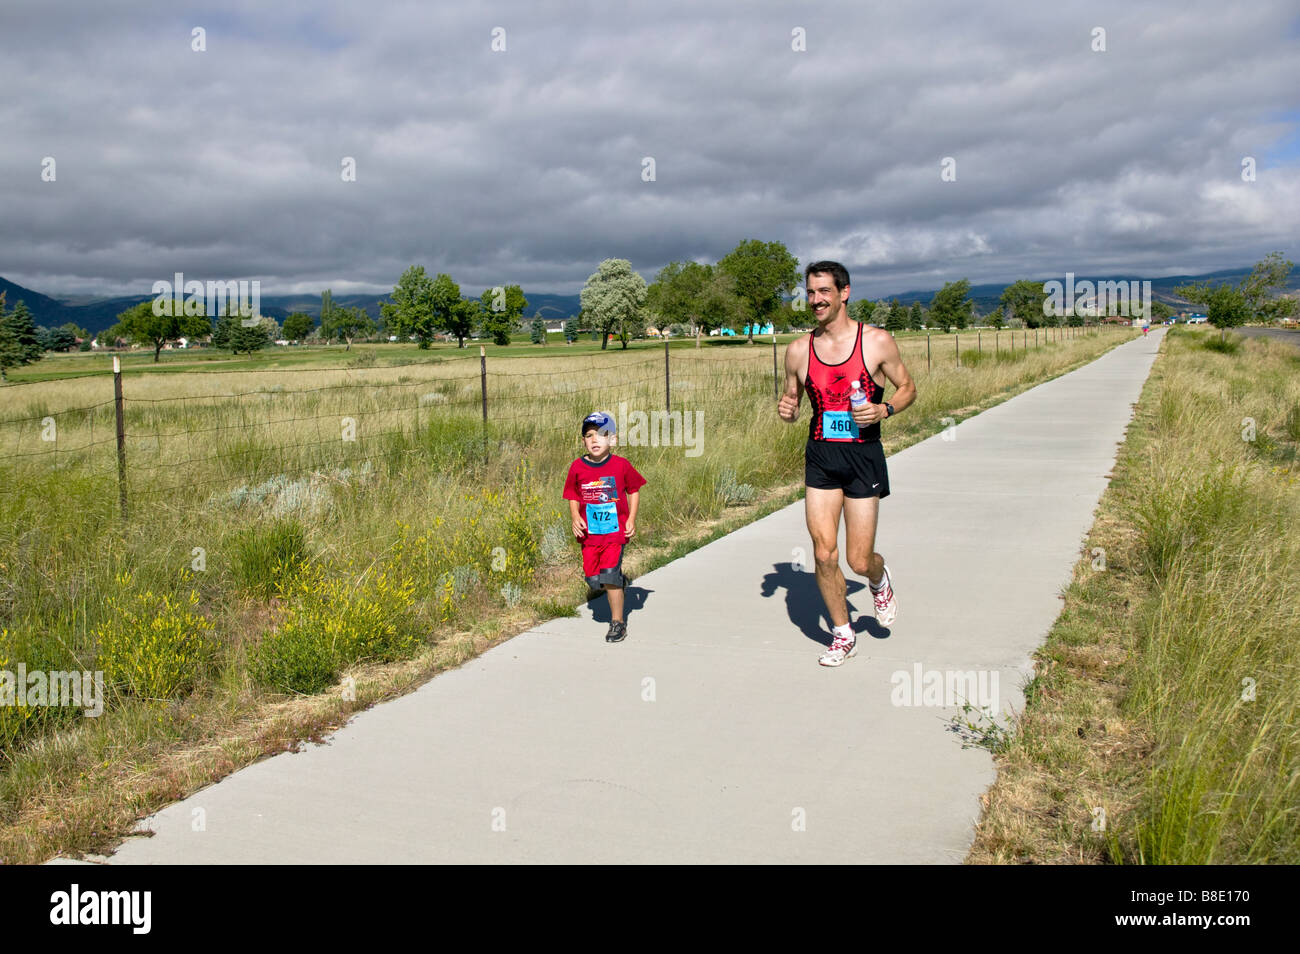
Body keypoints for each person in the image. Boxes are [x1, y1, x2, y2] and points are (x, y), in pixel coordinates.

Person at [777, 261, 917, 667]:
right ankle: (842, 633)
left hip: (862, 456)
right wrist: (786, 409)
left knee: (858, 559)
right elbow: (791, 402)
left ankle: (878, 579)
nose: (816, 300)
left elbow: (908, 388)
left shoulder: (876, 342)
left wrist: (885, 409)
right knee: (823, 554)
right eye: (810, 292)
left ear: (844, 293)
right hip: (821, 455)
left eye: (823, 291)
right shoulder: (798, 350)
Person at [563, 411, 646, 643]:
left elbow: (634, 490)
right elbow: (572, 494)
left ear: (613, 440)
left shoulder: (621, 465)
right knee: (593, 580)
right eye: (589, 435)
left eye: (602, 434)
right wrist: (574, 517)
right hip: (590, 535)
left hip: (614, 532)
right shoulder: (577, 467)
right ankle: (618, 581)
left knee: (609, 577)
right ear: (583, 441)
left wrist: (631, 519)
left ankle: (617, 623)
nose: (595, 439)